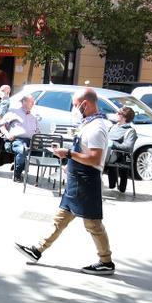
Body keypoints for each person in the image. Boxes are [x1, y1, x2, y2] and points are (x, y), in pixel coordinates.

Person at [16, 87, 115, 275]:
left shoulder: (96, 127)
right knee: (60, 218)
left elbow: (94, 158)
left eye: (76, 105)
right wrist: (68, 161)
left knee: (93, 224)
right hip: (77, 179)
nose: (74, 109)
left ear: (85, 104)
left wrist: (68, 153)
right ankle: (37, 250)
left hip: (86, 181)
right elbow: (84, 152)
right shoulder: (89, 123)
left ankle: (106, 261)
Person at [0, 94, 41, 182]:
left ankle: (19, 164)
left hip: (31, 142)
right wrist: (7, 134)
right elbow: (1, 125)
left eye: (33, 102)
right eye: (31, 102)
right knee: (23, 150)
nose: (33, 104)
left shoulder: (33, 117)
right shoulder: (13, 112)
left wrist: (39, 139)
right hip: (16, 141)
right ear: (24, 102)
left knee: (47, 152)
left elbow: (38, 132)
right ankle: (17, 174)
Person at [105, 106, 138, 193]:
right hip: (107, 153)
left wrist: (112, 143)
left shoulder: (130, 131)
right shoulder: (112, 127)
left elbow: (128, 147)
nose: (116, 114)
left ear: (124, 117)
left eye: (118, 113)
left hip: (117, 155)